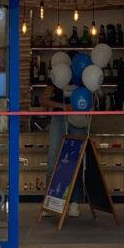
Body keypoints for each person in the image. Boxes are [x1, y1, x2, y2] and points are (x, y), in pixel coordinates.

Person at [40, 83, 88, 217]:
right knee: (53, 160)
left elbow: (94, 96)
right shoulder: (56, 78)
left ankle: (75, 202)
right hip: (60, 118)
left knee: (76, 161)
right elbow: (44, 100)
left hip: (79, 119)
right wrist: (63, 106)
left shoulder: (84, 76)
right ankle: (50, 202)